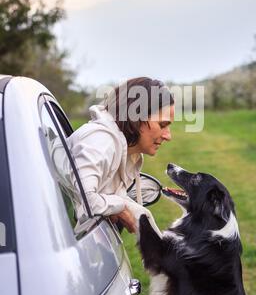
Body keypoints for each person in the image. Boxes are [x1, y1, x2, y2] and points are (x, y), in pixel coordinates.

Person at [50, 77, 174, 234]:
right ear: (136, 117)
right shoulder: (101, 142)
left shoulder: (123, 150)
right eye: (162, 125)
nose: (168, 136)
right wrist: (120, 207)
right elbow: (86, 200)